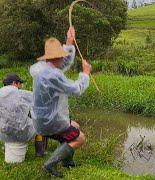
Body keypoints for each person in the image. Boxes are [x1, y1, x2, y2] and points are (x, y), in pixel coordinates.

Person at [30, 26, 91, 177]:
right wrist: (85, 74)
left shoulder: (43, 68)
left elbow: (62, 65)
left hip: (41, 118)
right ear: (57, 57)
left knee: (75, 125)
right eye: (62, 55)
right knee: (80, 138)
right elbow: (76, 89)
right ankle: (49, 164)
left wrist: (69, 42)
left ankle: (66, 161)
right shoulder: (52, 76)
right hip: (49, 122)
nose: (64, 57)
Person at [0, 73, 36, 152]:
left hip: (2, 131)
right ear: (14, 83)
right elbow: (36, 99)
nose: (21, 86)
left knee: (9, 123)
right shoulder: (20, 94)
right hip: (20, 132)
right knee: (38, 125)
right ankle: (40, 151)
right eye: (20, 83)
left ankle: (8, 146)